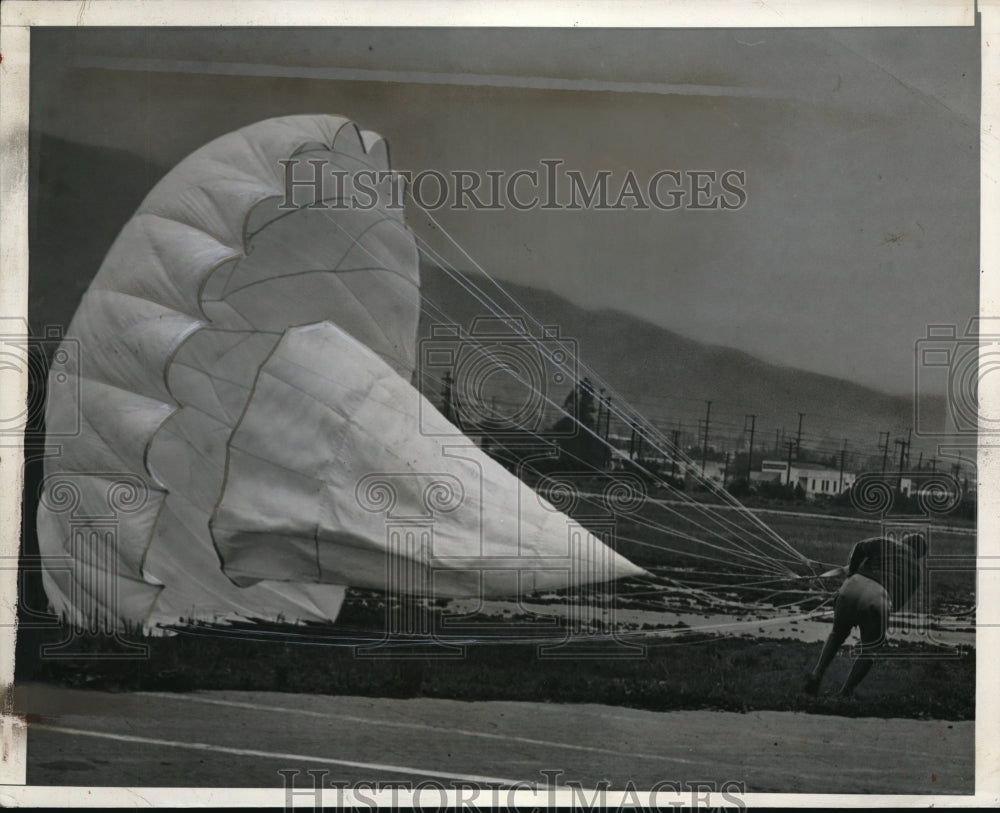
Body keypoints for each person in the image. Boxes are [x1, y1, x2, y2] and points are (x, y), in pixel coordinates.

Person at [804, 532, 927, 697]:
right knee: (869, 650)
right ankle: (845, 693)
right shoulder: (916, 572)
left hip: (853, 585)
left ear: (903, 541)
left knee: (837, 634)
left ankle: (817, 674)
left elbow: (859, 547)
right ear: (919, 555)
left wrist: (852, 570)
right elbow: (898, 602)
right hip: (879, 597)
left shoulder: (887, 542)